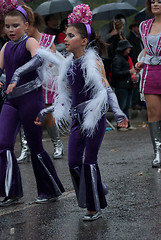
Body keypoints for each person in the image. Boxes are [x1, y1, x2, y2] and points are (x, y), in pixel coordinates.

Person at [35, 4, 128, 221]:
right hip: (77, 119)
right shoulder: (67, 66)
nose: (65, 39)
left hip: (94, 118)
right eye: (65, 35)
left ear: (84, 41)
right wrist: (46, 110)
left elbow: (107, 90)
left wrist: (119, 113)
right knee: (73, 163)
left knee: (89, 162)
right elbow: (66, 99)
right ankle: (98, 189)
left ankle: (93, 208)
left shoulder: (93, 63)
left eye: (70, 35)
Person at [0, 3, 64, 206]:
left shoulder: (30, 43)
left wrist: (17, 74)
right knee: (3, 143)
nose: (10, 30)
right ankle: (10, 191)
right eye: (7, 26)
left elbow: (39, 59)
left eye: (15, 26)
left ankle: (50, 190)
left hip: (31, 99)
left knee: (36, 146)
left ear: (26, 25)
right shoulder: (6, 46)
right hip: (11, 101)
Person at [17, 12, 64, 163]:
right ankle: (25, 149)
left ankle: (57, 144)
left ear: (32, 24)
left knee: (48, 114)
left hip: (47, 83)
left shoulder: (48, 39)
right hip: (28, 83)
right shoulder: (23, 41)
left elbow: (53, 59)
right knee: (26, 115)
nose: (24, 30)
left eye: (26, 26)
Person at [135, 0, 161, 168]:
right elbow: (146, 47)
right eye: (153, 1)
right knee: (153, 113)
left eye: (160, 1)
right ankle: (158, 152)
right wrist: (142, 61)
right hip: (151, 71)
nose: (156, 4)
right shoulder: (144, 25)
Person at [111, 40, 137, 130]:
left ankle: (127, 123)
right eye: (128, 48)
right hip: (121, 86)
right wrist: (128, 72)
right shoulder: (118, 59)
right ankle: (120, 124)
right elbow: (116, 73)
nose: (129, 49)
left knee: (127, 106)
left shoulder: (126, 58)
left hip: (128, 85)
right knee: (122, 105)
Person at [127, 19, 144, 110]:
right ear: (133, 27)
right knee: (135, 83)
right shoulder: (130, 38)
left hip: (139, 63)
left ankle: (138, 102)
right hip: (135, 63)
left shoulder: (138, 38)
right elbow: (133, 53)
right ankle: (134, 102)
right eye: (137, 27)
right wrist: (135, 63)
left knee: (139, 83)